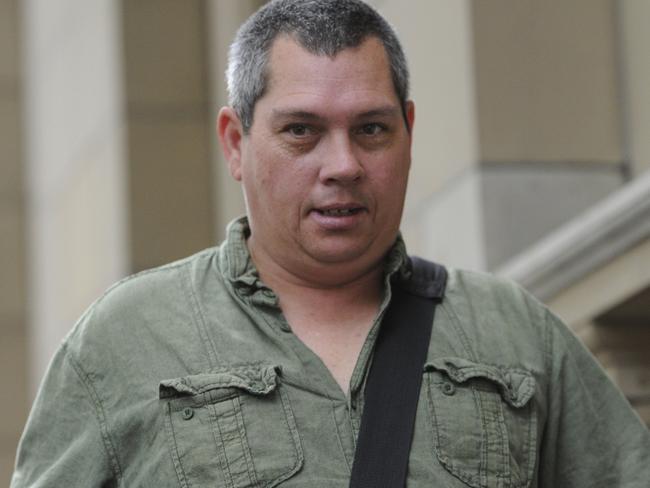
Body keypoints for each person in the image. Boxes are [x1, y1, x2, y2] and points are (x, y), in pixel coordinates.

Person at [11, 0, 650, 487]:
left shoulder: (515, 333)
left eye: (371, 128)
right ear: (236, 143)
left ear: (408, 129)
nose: (341, 164)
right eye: (302, 131)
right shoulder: (124, 340)